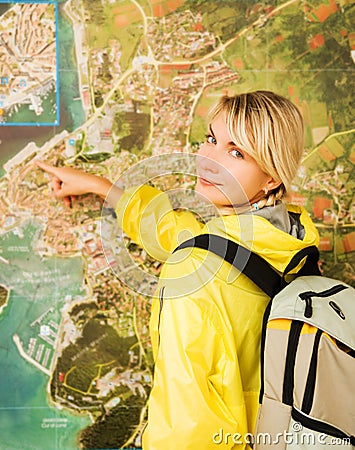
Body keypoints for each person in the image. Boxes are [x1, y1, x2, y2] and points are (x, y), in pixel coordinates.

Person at [36, 91, 319, 449]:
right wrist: (99, 186)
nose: (208, 160)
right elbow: (183, 233)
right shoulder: (291, 242)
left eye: (236, 153)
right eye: (212, 139)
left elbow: (188, 427)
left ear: (271, 178)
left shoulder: (197, 271)